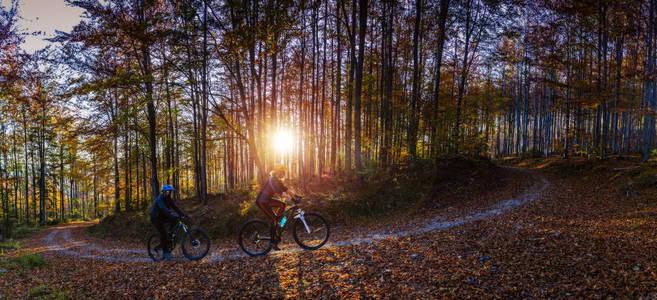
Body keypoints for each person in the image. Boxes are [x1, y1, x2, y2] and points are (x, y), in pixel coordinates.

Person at [256, 166, 295, 250]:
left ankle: (279, 222)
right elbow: (281, 192)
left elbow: (286, 189)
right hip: (262, 202)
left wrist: (296, 196)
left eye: (284, 173)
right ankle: (272, 243)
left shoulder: (277, 180)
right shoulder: (272, 179)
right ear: (277, 172)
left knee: (282, 205)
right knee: (274, 219)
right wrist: (291, 198)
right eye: (282, 172)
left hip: (267, 200)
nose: (283, 174)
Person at [149, 185, 189, 260]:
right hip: (155, 217)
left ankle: (171, 234)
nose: (169, 193)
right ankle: (165, 253)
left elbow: (175, 207)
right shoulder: (159, 199)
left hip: (162, 216)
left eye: (170, 192)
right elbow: (163, 208)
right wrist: (171, 214)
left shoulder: (169, 199)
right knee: (163, 232)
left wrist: (183, 214)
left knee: (175, 220)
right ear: (164, 192)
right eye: (168, 191)